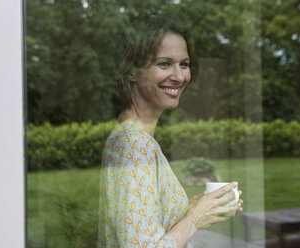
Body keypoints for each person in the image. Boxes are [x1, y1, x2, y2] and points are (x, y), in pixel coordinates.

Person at [98, 15, 243, 248]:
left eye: (184, 64)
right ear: (132, 71)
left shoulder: (135, 138)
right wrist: (194, 220)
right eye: (164, 64)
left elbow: (143, 222)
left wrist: (195, 207)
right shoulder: (136, 147)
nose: (178, 76)